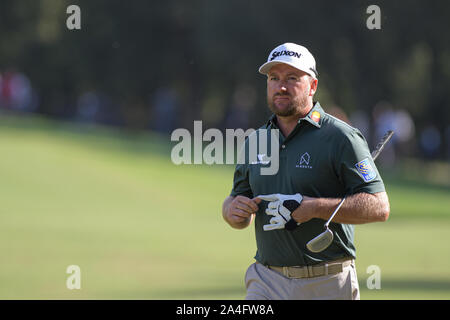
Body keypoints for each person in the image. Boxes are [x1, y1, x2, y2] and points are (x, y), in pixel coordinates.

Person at [222, 42, 390, 300]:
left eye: (292, 78)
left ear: (312, 86)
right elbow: (238, 201)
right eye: (274, 78)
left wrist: (314, 208)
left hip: (327, 282)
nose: (281, 86)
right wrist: (232, 211)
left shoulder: (341, 137)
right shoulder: (255, 141)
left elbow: (379, 207)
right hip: (266, 281)